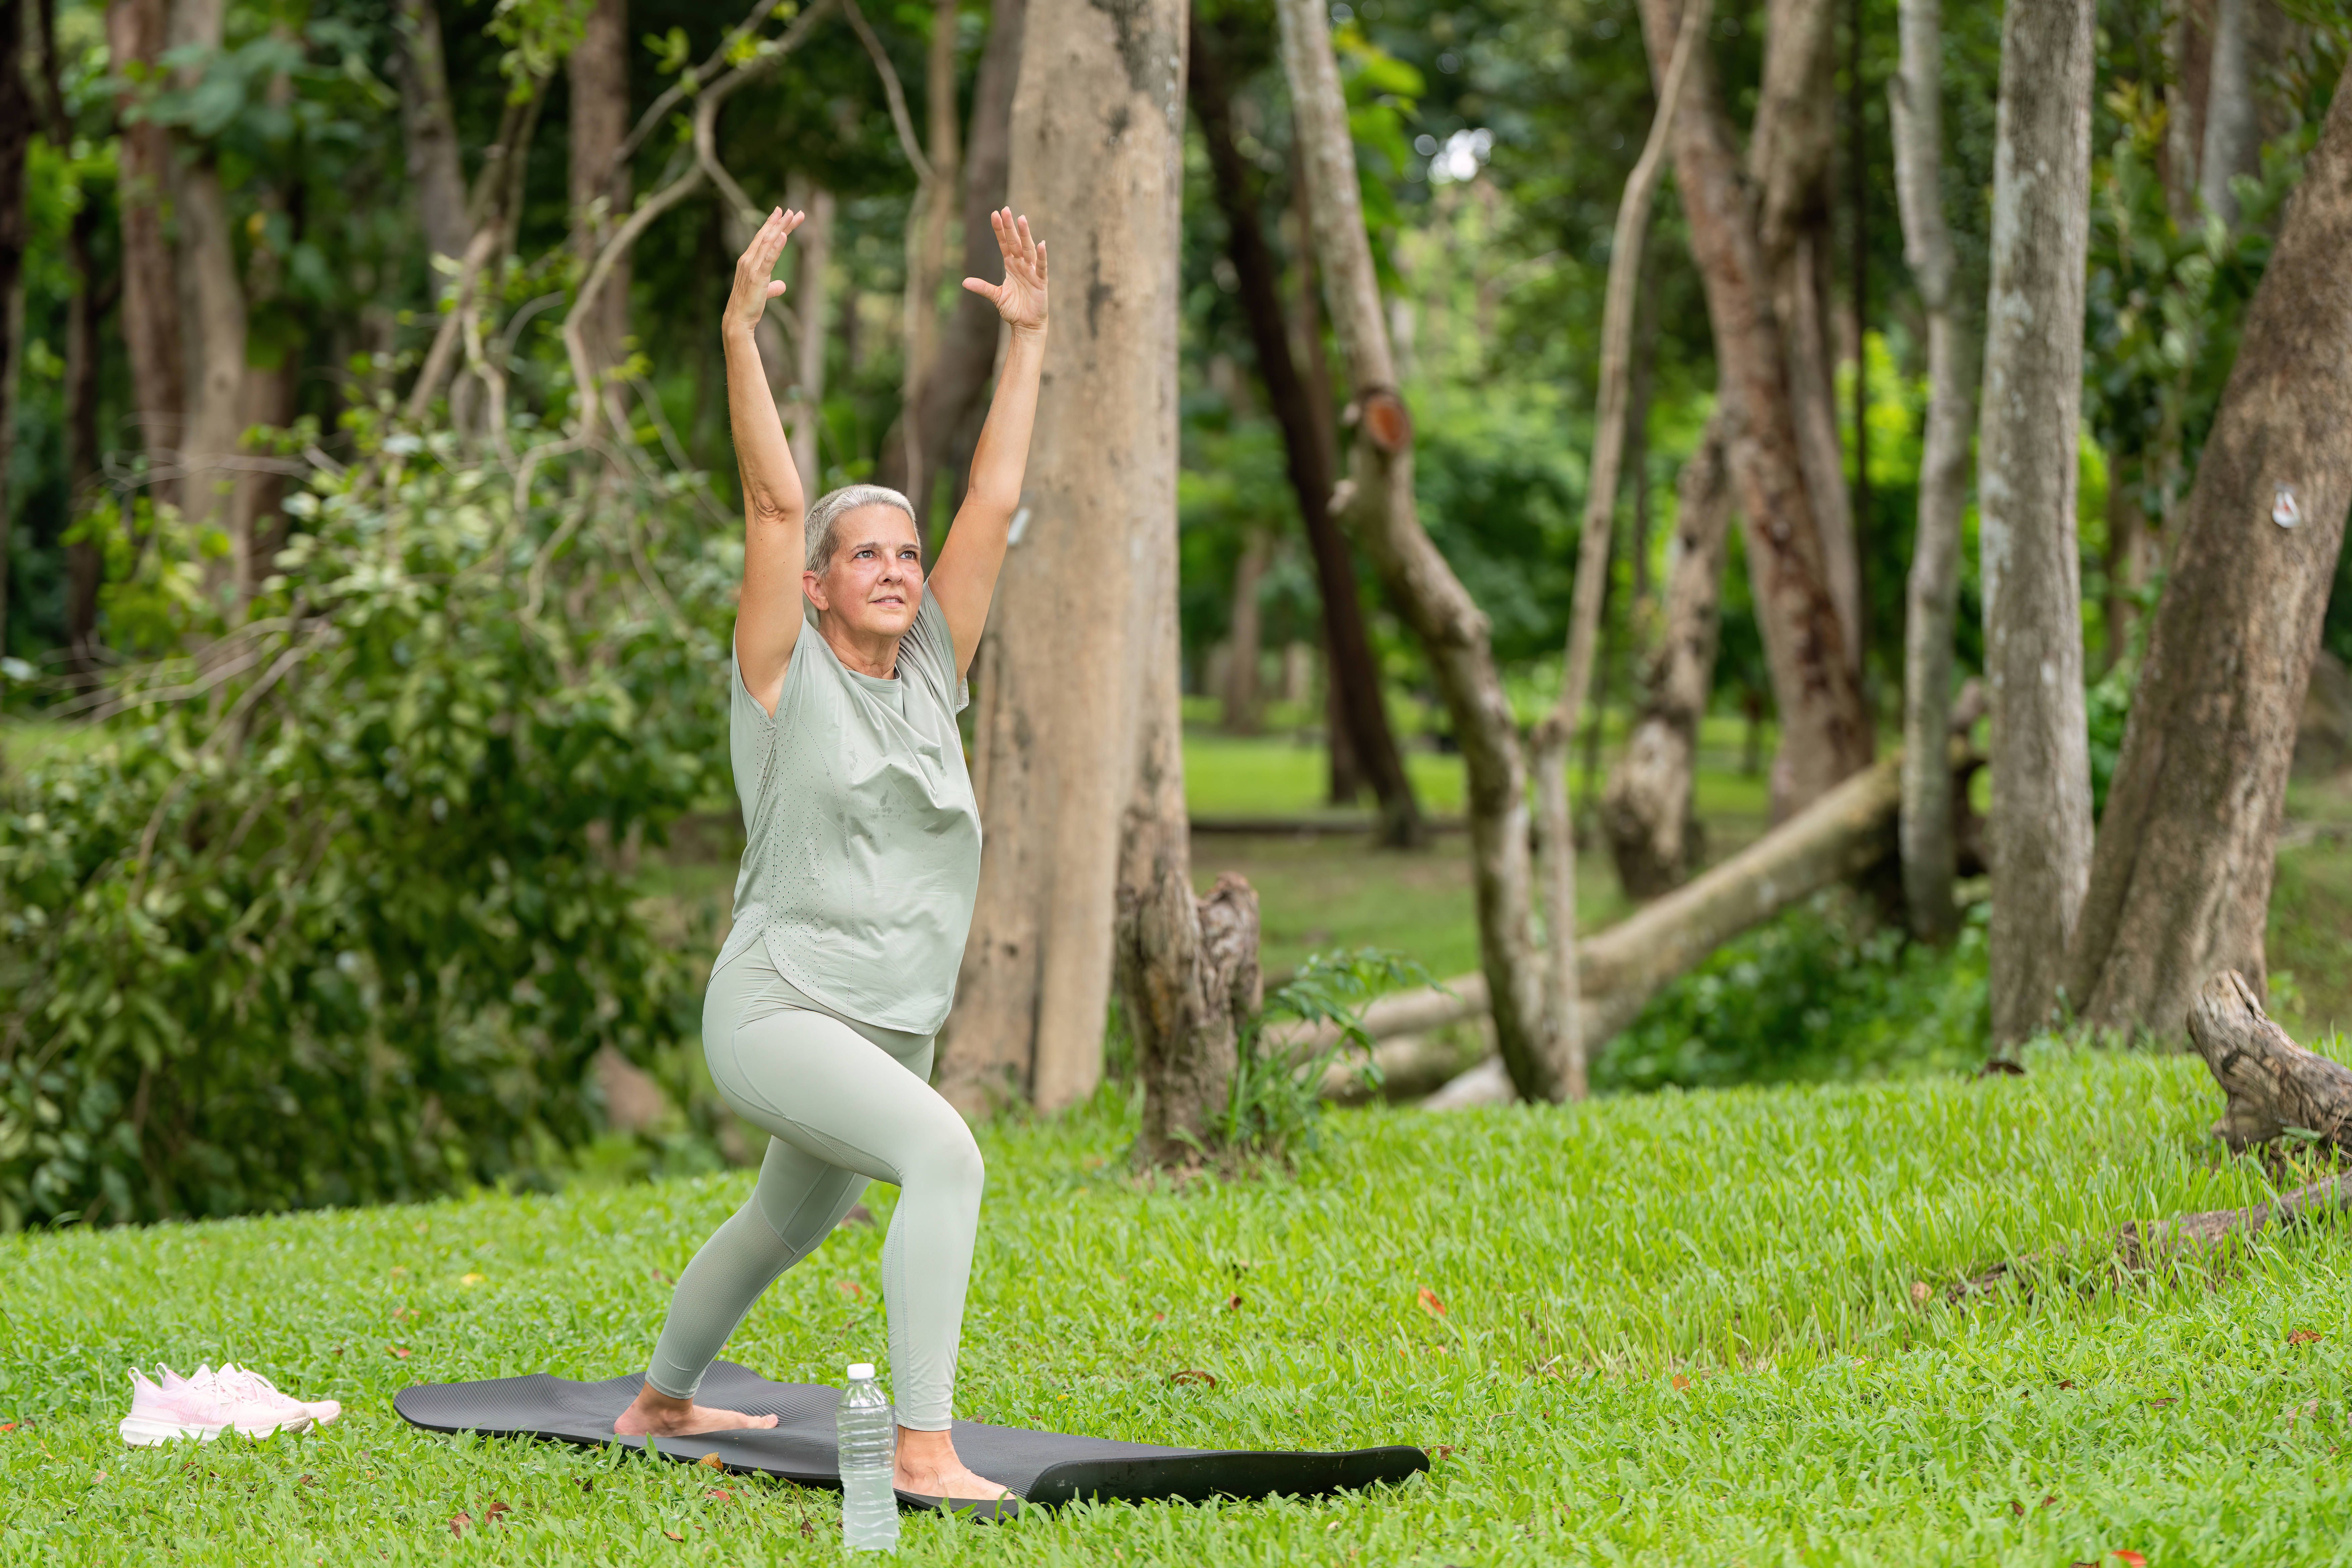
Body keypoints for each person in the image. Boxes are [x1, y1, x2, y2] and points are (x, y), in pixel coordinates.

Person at [611, 202, 1048, 1508]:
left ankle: (661, 1398)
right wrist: (740, 336)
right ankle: (922, 1449)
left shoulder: (932, 674)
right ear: (814, 584)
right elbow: (773, 499)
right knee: (946, 1158)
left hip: (892, 1024)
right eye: (866, 555)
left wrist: (1027, 340)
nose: (897, 569)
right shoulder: (782, 675)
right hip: (781, 1008)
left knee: (783, 1223)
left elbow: (996, 499)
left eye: (907, 554)